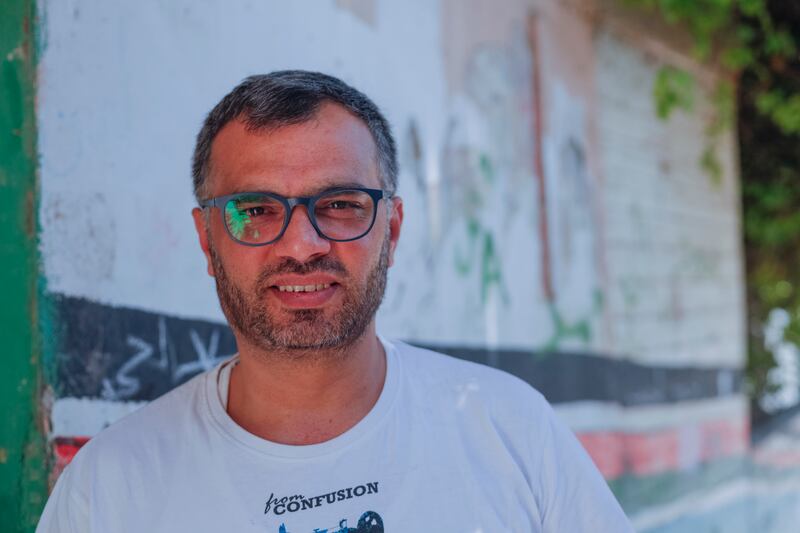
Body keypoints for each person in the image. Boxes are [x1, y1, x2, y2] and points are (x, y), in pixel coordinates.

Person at [37, 70, 633, 532]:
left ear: (391, 230)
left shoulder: (511, 429)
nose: (302, 245)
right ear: (207, 240)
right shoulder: (110, 488)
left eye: (341, 205)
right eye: (255, 210)